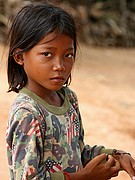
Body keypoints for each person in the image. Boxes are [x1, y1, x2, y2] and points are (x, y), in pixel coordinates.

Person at [6, 2, 135, 180]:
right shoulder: (27, 113)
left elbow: (77, 152)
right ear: (19, 56)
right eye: (47, 54)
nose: (60, 66)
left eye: (68, 55)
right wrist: (84, 177)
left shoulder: (68, 98)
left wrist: (117, 156)